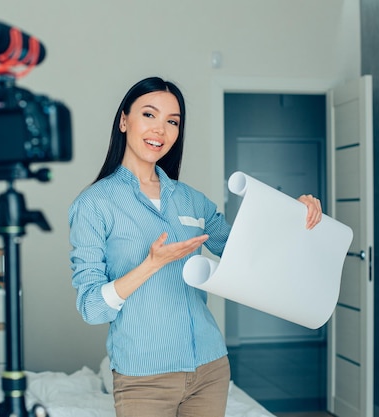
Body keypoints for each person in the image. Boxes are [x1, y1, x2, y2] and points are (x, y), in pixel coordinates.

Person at [68, 76, 322, 417]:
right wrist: (151, 265)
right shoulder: (94, 204)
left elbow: (247, 255)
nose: (160, 130)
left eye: (172, 121)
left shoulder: (191, 200)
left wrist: (294, 216)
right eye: (149, 115)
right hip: (144, 377)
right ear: (124, 120)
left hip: (210, 368)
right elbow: (92, 308)